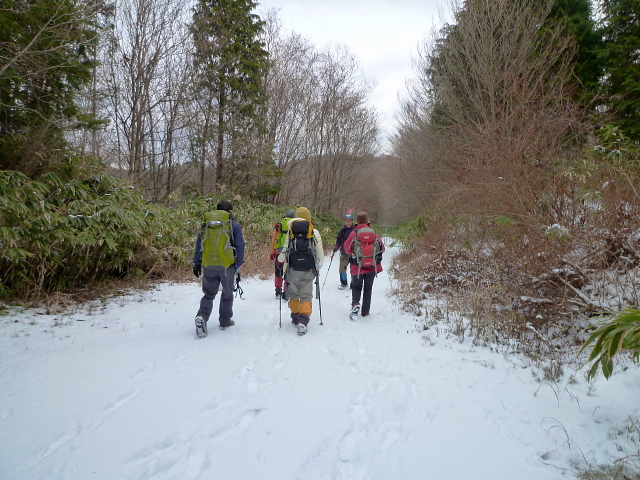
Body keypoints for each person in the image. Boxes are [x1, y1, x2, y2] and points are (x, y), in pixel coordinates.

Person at [193, 200, 245, 337]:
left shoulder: (206, 225)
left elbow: (200, 245)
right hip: (227, 265)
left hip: (209, 263)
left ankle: (202, 316)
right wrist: (238, 264)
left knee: (209, 294)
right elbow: (240, 246)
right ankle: (225, 321)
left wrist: (197, 263)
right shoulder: (233, 225)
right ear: (230, 212)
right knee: (227, 294)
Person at [278, 207, 323, 335]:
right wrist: (319, 266)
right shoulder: (313, 231)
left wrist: (280, 261)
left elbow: (285, 249)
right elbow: (319, 251)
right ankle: (303, 320)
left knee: (294, 294)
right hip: (309, 269)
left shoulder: (291, 231)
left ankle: (295, 317)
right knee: (306, 295)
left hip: (293, 268)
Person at [344, 211, 385, 319]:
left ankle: (355, 304)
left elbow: (347, 248)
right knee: (368, 289)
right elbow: (383, 248)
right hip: (371, 267)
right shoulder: (374, 233)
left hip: (357, 267)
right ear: (368, 221)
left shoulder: (355, 233)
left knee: (356, 288)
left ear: (357, 221)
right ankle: (365, 311)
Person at [270, 209, 296, 299]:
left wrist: (272, 252)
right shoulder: (295, 224)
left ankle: (278, 290)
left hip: (279, 251)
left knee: (278, 271)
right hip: (290, 252)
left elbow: (274, 239)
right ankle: (286, 292)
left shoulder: (280, 225)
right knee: (288, 272)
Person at [332, 212, 355, 289]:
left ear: (352, 221)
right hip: (344, 253)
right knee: (342, 269)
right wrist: (336, 247)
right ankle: (344, 283)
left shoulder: (356, 230)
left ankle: (353, 284)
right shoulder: (342, 230)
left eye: (349, 220)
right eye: (346, 220)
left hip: (354, 253)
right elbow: (338, 240)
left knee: (354, 269)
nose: (348, 222)